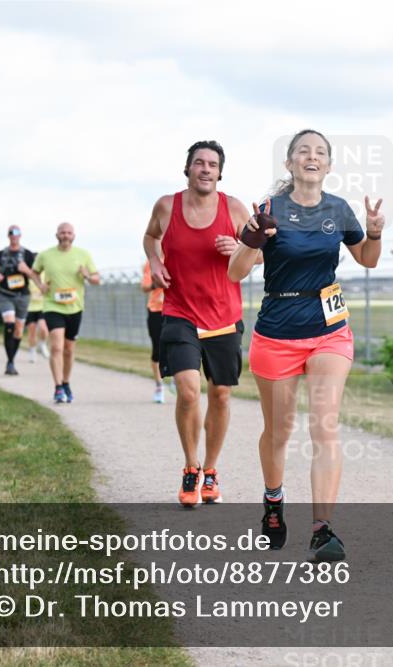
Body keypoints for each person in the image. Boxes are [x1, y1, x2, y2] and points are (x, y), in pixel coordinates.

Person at [228, 129, 385, 562]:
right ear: (290, 164)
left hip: (329, 330)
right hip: (277, 332)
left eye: (319, 152)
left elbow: (368, 260)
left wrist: (373, 234)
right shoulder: (268, 210)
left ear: (329, 165)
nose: (311, 157)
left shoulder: (339, 209)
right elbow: (234, 273)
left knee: (325, 425)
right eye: (303, 151)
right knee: (279, 431)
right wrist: (254, 237)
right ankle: (274, 501)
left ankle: (322, 529)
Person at [143, 139, 252, 508]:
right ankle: (191, 466)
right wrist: (155, 263)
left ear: (220, 172)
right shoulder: (166, 205)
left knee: (220, 394)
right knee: (189, 392)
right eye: (199, 163)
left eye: (212, 164)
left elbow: (260, 255)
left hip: (223, 316)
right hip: (179, 312)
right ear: (187, 169)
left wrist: (239, 251)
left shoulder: (234, 209)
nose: (206, 169)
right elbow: (150, 237)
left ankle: (211, 470)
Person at [30, 222, 100, 404]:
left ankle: (66, 382)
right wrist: (40, 285)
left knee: (69, 350)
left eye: (69, 232)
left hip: (75, 307)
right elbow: (34, 272)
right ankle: (58, 387)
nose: (65, 235)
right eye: (62, 232)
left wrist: (86, 275)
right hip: (53, 305)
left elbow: (96, 279)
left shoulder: (83, 255)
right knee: (57, 347)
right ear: (57, 235)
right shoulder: (46, 255)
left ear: (74, 235)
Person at [0, 225, 38, 376]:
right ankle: (10, 361)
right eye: (11, 233)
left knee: (19, 330)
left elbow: (35, 276)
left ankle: (11, 360)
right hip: (5, 294)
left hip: (23, 295)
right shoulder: (0, 254)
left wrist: (26, 270)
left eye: (16, 232)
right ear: (8, 235)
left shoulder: (28, 254)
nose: (14, 235)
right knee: (9, 324)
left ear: (20, 235)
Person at [140, 257, 166, 403]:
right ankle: (159, 385)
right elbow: (144, 287)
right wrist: (156, 284)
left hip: (178, 310)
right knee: (158, 349)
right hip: (157, 310)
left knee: (179, 346)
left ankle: (179, 378)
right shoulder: (152, 262)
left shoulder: (181, 254)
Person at [24, 270, 50, 363]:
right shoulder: (28, 275)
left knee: (44, 329)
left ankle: (42, 344)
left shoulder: (45, 275)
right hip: (29, 308)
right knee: (32, 332)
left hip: (42, 307)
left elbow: (49, 286)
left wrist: (44, 290)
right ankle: (32, 352)